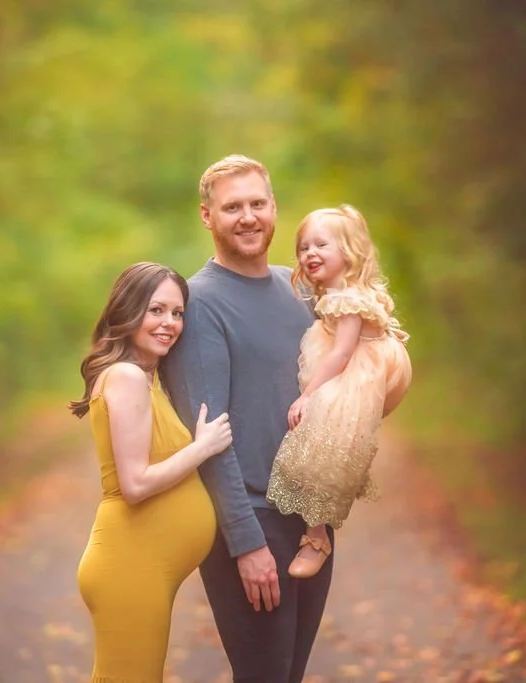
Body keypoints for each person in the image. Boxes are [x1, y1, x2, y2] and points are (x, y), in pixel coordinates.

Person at [161, 155, 330, 682]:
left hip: (311, 522)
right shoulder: (201, 304)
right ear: (207, 217)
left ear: (274, 208)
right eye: (232, 207)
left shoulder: (299, 288)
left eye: (257, 203)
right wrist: (246, 542)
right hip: (253, 520)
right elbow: (209, 440)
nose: (248, 217)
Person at [70, 262, 234, 682]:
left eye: (177, 313)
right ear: (128, 310)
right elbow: (136, 484)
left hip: (140, 568)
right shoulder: (125, 376)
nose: (169, 323)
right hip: (129, 566)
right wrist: (201, 449)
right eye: (156, 310)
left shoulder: (145, 376)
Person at [266, 204, 413, 580]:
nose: (310, 254)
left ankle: (316, 537)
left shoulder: (346, 298)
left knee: (322, 447)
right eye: (304, 247)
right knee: (319, 448)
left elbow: (344, 353)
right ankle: (312, 529)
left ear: (347, 252)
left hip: (352, 373)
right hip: (354, 363)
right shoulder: (339, 291)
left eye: (321, 246)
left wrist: (308, 394)